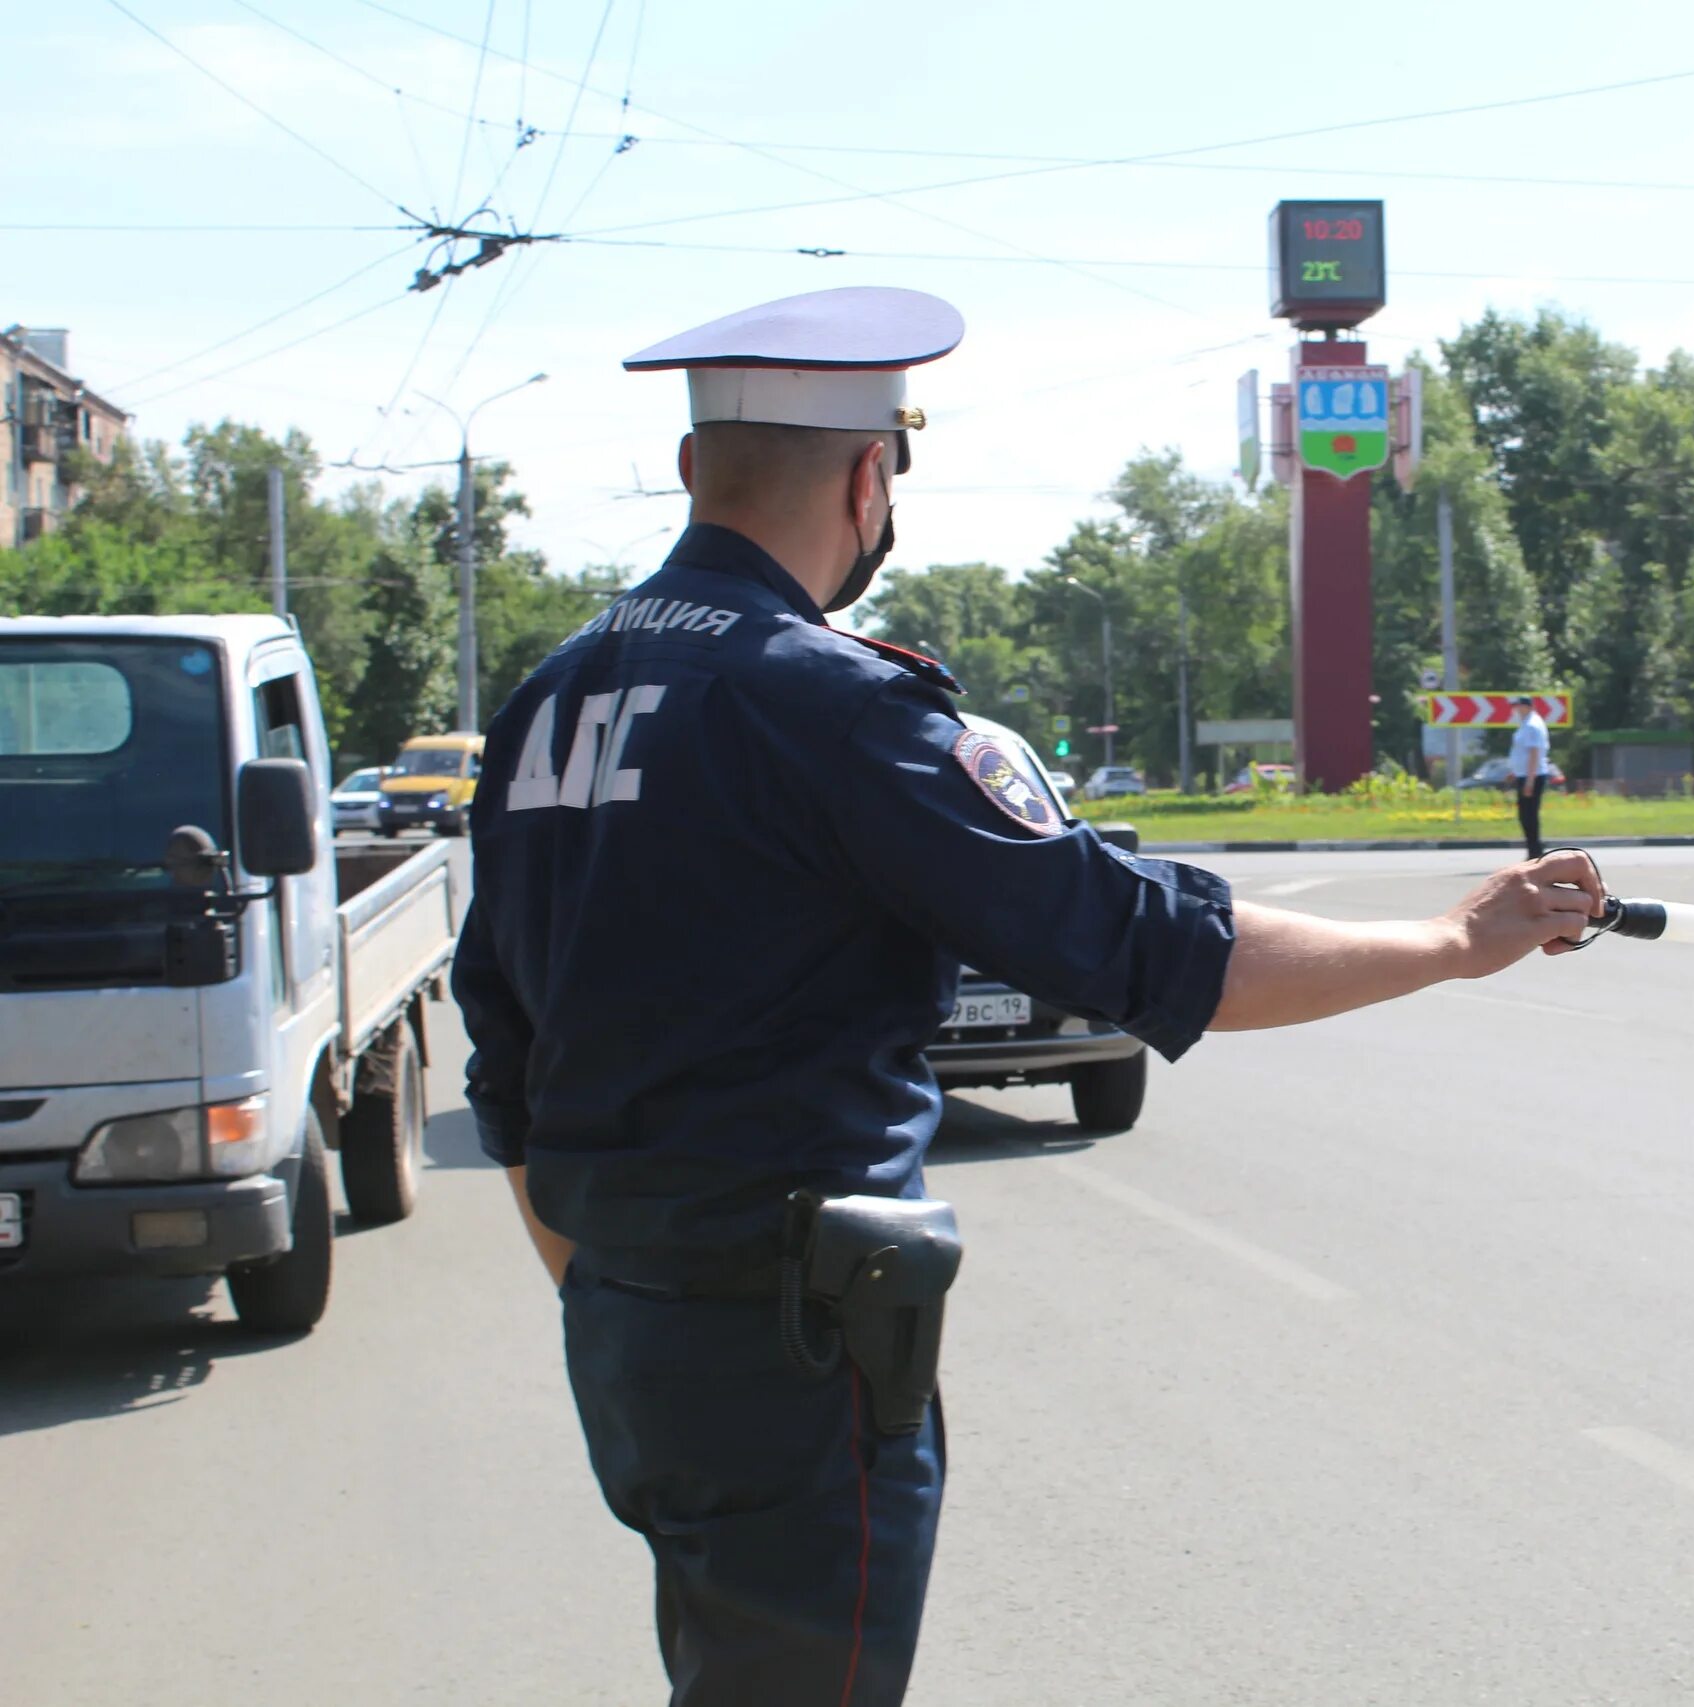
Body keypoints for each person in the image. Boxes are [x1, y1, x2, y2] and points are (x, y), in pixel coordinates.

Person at [451, 284, 1607, 1707]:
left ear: (694, 469)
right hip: (790, 1333)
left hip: (631, 1321)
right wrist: (1446, 939)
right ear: (873, 476)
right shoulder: (831, 703)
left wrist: (615, 1284)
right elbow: (1150, 951)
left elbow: (500, 1038)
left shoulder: (550, 696)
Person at [1507, 695, 1554, 858]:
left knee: (1529, 815)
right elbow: (1522, 753)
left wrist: (1530, 781)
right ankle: (1534, 849)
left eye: (1520, 706)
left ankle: (1535, 851)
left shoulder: (1532, 725)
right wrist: (1516, 771)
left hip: (1532, 776)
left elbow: (1534, 753)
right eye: (1516, 706)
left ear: (1528, 706)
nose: (1517, 709)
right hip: (1525, 774)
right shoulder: (1526, 723)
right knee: (1526, 815)